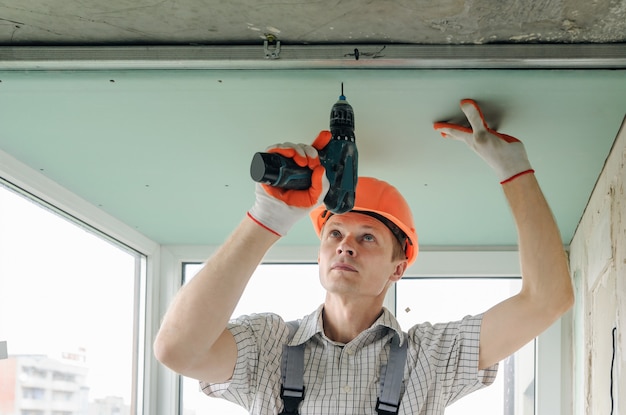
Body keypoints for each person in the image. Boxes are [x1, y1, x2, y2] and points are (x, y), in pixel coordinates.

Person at [153, 99, 574, 414]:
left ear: (399, 267)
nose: (345, 244)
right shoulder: (268, 347)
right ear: (319, 254)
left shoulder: (429, 358)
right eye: (334, 232)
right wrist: (266, 219)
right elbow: (177, 349)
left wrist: (514, 170)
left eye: (368, 237)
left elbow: (547, 299)